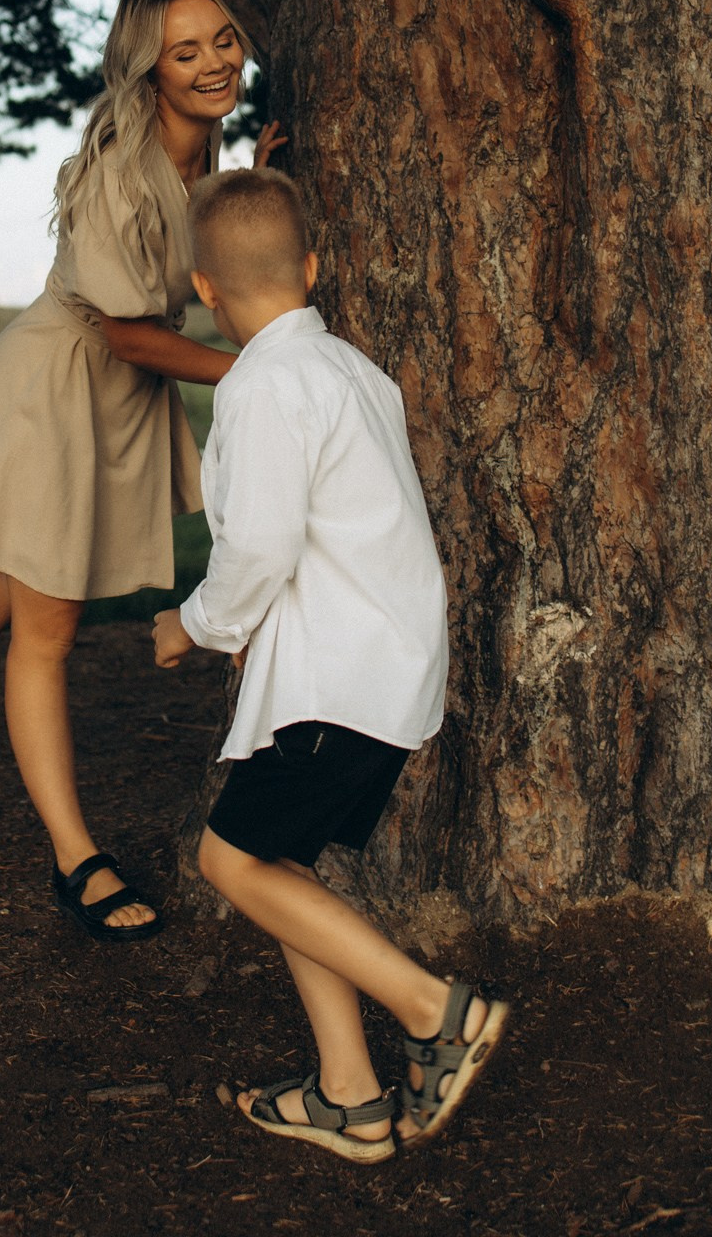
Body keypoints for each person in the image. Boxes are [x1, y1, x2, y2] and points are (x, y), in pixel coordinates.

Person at [0, 0, 286, 941]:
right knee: (47, 628)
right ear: (147, 67)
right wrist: (262, 362)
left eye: (224, 38)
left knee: (21, 574)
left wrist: (246, 183)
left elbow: (187, 257)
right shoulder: (116, 167)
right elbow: (132, 333)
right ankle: (74, 861)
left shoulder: (198, 146)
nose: (215, 61)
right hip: (58, 389)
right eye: (187, 51)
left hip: (106, 395)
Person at [152, 168, 508, 1159]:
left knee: (230, 861)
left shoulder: (264, 387)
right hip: (373, 672)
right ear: (311, 267)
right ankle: (348, 1098)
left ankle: (434, 1011)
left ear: (204, 289)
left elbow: (259, 549)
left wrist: (193, 624)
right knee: (279, 866)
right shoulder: (353, 372)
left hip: (335, 681)